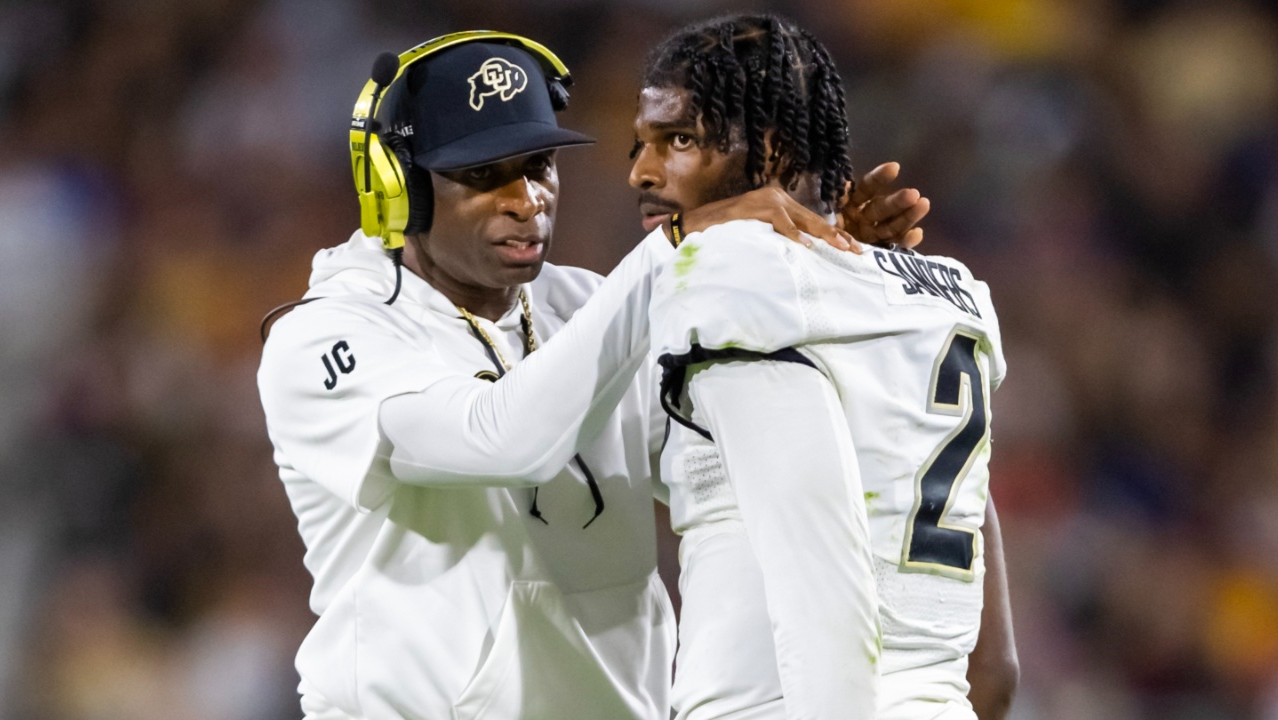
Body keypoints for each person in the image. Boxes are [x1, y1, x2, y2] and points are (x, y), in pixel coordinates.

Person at [257, 31, 928, 719]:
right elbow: (501, 440)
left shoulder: (588, 303)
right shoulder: (323, 337)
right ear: (399, 189)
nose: (526, 200)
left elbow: (733, 463)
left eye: (538, 166)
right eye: (482, 175)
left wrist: (830, 276)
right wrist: (678, 246)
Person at [629, 14, 1018, 720]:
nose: (645, 172)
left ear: (769, 149)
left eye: (680, 140)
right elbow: (996, 673)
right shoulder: (954, 297)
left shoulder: (733, 282)